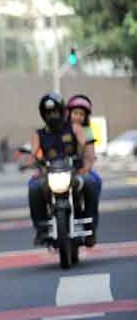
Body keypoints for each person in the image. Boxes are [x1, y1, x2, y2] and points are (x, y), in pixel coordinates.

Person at [27, 92, 101, 246]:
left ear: (62, 111)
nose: (52, 115)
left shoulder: (74, 128)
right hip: (49, 174)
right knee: (33, 187)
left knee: (91, 183)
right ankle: (41, 229)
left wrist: (86, 162)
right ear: (43, 114)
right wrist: (31, 161)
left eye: (55, 111)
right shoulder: (38, 134)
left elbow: (85, 146)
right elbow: (33, 153)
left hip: (74, 172)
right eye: (48, 112)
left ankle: (90, 227)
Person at [66, 94, 101, 245]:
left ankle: (90, 228)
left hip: (80, 170)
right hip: (60, 171)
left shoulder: (87, 132)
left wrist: (86, 168)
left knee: (93, 182)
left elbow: (90, 154)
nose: (78, 117)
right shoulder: (61, 130)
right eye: (75, 113)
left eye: (82, 114)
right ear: (68, 113)